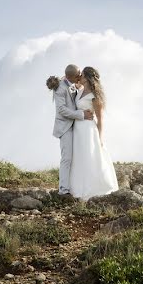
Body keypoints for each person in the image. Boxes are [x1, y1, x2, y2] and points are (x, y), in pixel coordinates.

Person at [67, 66, 119, 200]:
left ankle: (93, 189)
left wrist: (100, 139)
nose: (80, 77)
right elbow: (66, 81)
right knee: (79, 158)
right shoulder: (80, 90)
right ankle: (77, 188)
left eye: (82, 75)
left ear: (88, 78)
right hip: (77, 129)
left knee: (89, 157)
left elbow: (101, 119)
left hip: (89, 131)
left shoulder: (95, 97)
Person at [46, 64, 94, 198]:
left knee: (76, 158)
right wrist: (82, 114)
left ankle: (75, 187)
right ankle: (63, 190)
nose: (80, 76)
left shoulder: (73, 84)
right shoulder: (60, 87)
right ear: (72, 76)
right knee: (66, 158)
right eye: (78, 74)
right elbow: (61, 110)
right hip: (65, 127)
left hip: (76, 127)